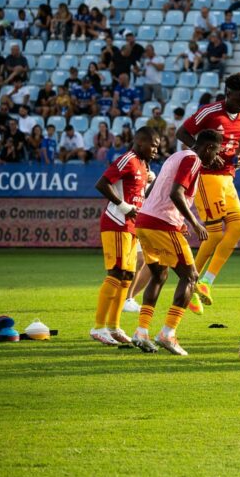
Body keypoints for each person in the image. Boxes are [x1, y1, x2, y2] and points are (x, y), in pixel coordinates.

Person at [131, 130, 219, 355]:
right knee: (190, 276)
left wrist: (177, 218)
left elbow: (153, 189)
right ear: (208, 148)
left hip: (145, 220)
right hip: (162, 223)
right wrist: (195, 222)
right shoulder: (193, 160)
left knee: (159, 275)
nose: (215, 158)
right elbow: (175, 193)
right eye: (215, 152)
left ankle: (141, 332)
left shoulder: (176, 156)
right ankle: (167, 333)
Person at [176, 74, 240, 315]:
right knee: (215, 233)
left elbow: (238, 139)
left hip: (228, 177)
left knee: (238, 228)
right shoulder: (209, 112)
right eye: (239, 100)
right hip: (207, 177)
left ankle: (205, 281)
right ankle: (190, 282)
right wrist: (201, 155)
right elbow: (182, 133)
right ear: (228, 92)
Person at [90, 128, 160, 346]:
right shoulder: (127, 159)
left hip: (132, 225)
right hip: (117, 222)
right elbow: (102, 183)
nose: (157, 150)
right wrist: (123, 206)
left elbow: (141, 194)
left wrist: (152, 180)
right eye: (154, 145)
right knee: (116, 272)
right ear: (140, 143)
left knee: (128, 276)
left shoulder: (143, 165)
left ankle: (114, 326)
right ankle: (98, 327)